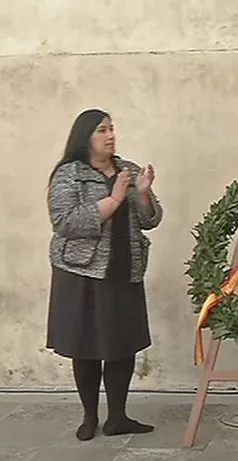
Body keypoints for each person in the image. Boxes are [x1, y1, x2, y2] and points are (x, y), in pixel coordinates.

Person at [46, 108, 163, 441]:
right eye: (102, 130)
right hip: (81, 273)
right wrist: (113, 200)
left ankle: (118, 417)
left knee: (122, 345)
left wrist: (141, 192)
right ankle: (89, 417)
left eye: (112, 129)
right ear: (86, 136)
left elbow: (150, 219)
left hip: (125, 271)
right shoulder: (69, 174)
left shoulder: (128, 169)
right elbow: (65, 221)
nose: (110, 135)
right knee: (86, 347)